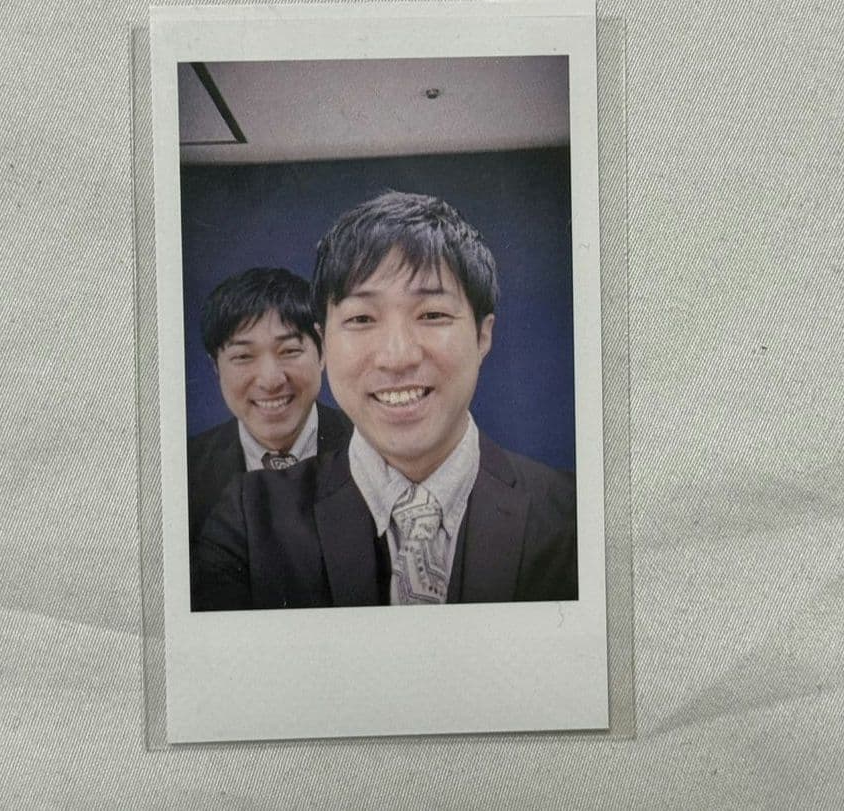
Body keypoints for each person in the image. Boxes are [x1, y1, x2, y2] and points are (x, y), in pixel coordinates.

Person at [192, 193, 576, 610]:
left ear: (483, 336)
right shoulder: (248, 520)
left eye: (432, 315)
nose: (397, 356)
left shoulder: (574, 516)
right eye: (361, 319)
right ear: (324, 342)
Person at [187, 267, 352, 541]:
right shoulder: (185, 469)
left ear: (322, 351)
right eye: (243, 356)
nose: (270, 380)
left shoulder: (373, 449)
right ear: (215, 366)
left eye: (289, 351)